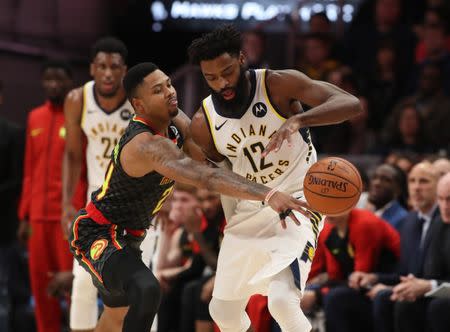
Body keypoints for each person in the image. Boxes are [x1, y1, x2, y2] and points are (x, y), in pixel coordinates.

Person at [69, 62, 309, 332]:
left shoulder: (173, 121)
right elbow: (204, 177)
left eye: (169, 84)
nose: (170, 92)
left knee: (116, 317)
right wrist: (269, 193)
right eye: (158, 90)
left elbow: (208, 160)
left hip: (130, 237)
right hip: (98, 233)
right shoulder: (145, 144)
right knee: (147, 290)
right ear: (139, 105)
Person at [187, 24, 362, 332]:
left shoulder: (277, 84)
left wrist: (299, 119)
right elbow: (222, 181)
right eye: (211, 77)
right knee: (223, 311)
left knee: (281, 300)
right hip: (250, 209)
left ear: (242, 58)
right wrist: (231, 226)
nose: (222, 82)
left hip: (298, 200)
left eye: (227, 71)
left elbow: (350, 104)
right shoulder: (204, 122)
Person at [61, 36, 157, 332]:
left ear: (124, 70)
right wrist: (66, 201)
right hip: (99, 207)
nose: (107, 73)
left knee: (144, 283)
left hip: (139, 206)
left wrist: (163, 197)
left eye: (114, 67)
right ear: (92, 68)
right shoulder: (78, 99)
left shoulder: (139, 101)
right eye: (101, 66)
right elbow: (73, 154)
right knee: (83, 281)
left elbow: (164, 151)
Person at [17, 59, 74, 332]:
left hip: (67, 216)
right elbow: (29, 168)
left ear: (69, 82)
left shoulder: (78, 117)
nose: (53, 84)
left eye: (59, 78)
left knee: (73, 287)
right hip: (38, 217)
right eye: (49, 79)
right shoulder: (34, 117)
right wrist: (24, 215)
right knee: (41, 288)